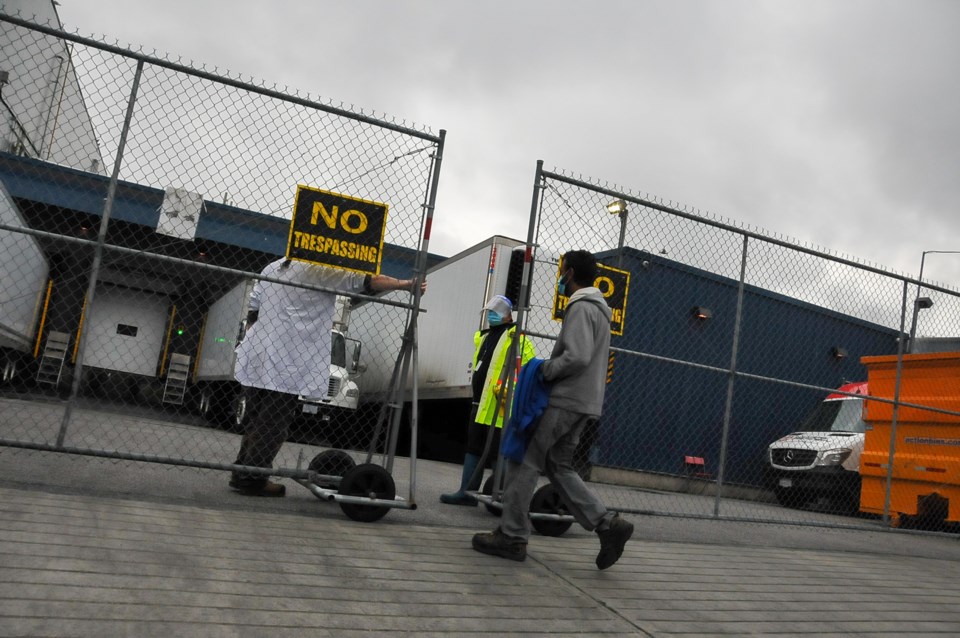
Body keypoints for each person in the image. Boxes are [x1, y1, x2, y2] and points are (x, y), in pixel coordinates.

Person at [472, 250, 634, 570]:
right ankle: (607, 524)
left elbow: (576, 357)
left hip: (564, 399)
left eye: (563, 273)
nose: (561, 279)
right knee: (559, 466)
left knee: (525, 462)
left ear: (570, 273)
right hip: (585, 401)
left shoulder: (580, 306)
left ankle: (512, 536)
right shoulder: (601, 310)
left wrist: (544, 370)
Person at [229, 257, 424, 497]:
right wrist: (405, 284)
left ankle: (241, 473)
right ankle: (253, 478)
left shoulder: (273, 267)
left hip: (259, 353)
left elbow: (254, 307)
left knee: (255, 419)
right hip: (287, 360)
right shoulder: (318, 269)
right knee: (273, 423)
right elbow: (367, 281)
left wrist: (260, 334)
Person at [440, 295, 536, 506]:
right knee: (474, 446)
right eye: (489, 312)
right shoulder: (484, 337)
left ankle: (500, 495)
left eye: (496, 312)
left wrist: (509, 388)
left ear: (508, 315)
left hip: (501, 407)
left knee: (497, 450)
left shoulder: (517, 338)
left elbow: (526, 369)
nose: (491, 316)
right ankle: (467, 493)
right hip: (480, 403)